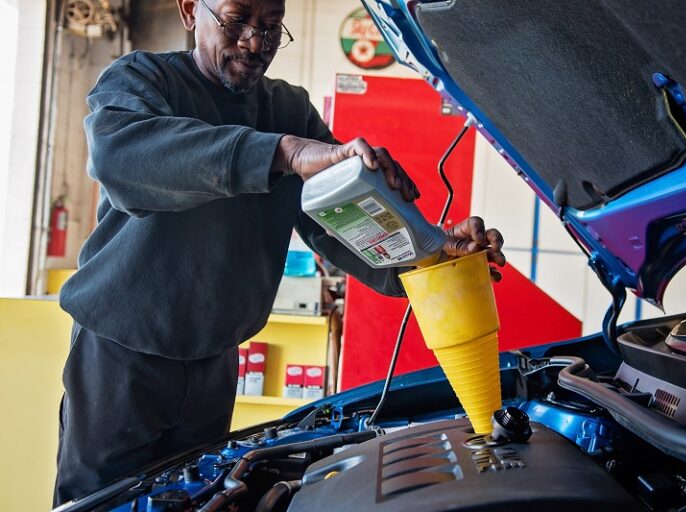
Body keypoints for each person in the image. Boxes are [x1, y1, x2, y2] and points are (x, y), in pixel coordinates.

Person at [53, 0, 506, 505]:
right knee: (102, 502)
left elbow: (340, 221)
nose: (254, 41)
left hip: (215, 360)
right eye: (236, 19)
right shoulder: (141, 80)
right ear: (188, 11)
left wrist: (431, 251)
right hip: (120, 354)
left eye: (270, 26)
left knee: (202, 500)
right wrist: (284, 153)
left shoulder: (287, 110)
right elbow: (122, 157)